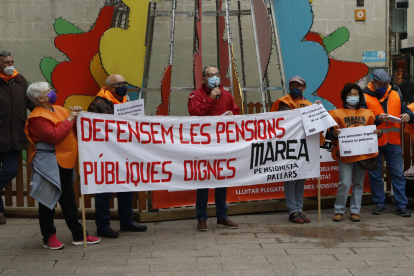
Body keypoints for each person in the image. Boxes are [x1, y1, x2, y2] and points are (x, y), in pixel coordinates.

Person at [25, 82, 100, 249]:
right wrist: (71, 118)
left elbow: (69, 129)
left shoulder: (60, 110)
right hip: (47, 163)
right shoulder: (37, 117)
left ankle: (78, 234)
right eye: (48, 91)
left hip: (63, 160)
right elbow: (55, 136)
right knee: (47, 201)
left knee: (68, 200)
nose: (52, 92)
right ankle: (48, 236)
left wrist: (77, 117)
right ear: (39, 98)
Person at [88, 74, 147, 238]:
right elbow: (93, 130)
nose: (123, 86)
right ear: (108, 87)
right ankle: (103, 225)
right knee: (105, 191)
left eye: (124, 83)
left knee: (126, 187)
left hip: (124, 152)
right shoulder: (98, 104)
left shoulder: (126, 102)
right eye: (118, 84)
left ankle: (127, 220)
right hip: (105, 154)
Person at [188, 65, 240, 231]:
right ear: (203, 78)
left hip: (222, 145)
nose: (215, 78)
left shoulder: (226, 95)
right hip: (204, 145)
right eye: (210, 75)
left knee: (221, 180)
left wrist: (233, 115)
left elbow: (237, 113)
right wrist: (210, 98)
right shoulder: (195, 95)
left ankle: (222, 216)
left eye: (217, 74)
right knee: (203, 181)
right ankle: (202, 218)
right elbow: (195, 114)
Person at [270, 76, 323, 224]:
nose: (295, 88)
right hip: (289, 147)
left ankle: (300, 209)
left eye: (298, 86)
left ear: (303, 89)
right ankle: (293, 211)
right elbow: (289, 119)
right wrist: (313, 110)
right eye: (292, 85)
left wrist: (317, 110)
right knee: (290, 179)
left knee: (301, 180)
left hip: (305, 147)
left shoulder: (308, 104)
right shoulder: (283, 102)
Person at [361, 70, 414, 217]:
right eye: (381, 85)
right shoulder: (364, 97)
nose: (383, 87)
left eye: (386, 84)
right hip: (374, 141)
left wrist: (407, 115)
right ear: (373, 83)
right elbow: (361, 118)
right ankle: (379, 204)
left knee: (397, 174)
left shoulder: (396, 94)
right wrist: (378, 119)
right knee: (375, 174)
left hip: (393, 142)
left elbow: (407, 111)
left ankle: (401, 205)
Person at [327, 83, 381, 222]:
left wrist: (377, 134)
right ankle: (339, 210)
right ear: (344, 97)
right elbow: (328, 135)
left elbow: (371, 134)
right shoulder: (335, 113)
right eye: (350, 94)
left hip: (362, 154)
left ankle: (355, 211)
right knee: (344, 183)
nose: (353, 97)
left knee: (358, 184)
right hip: (345, 155)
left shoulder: (368, 114)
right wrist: (333, 134)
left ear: (360, 97)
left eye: (355, 94)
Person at [0, 51, 35, 225]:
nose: (10, 65)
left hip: (13, 137)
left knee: (11, 170)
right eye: (6, 62)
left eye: (12, 61)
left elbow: (31, 103)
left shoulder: (21, 80)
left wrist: (47, 109)